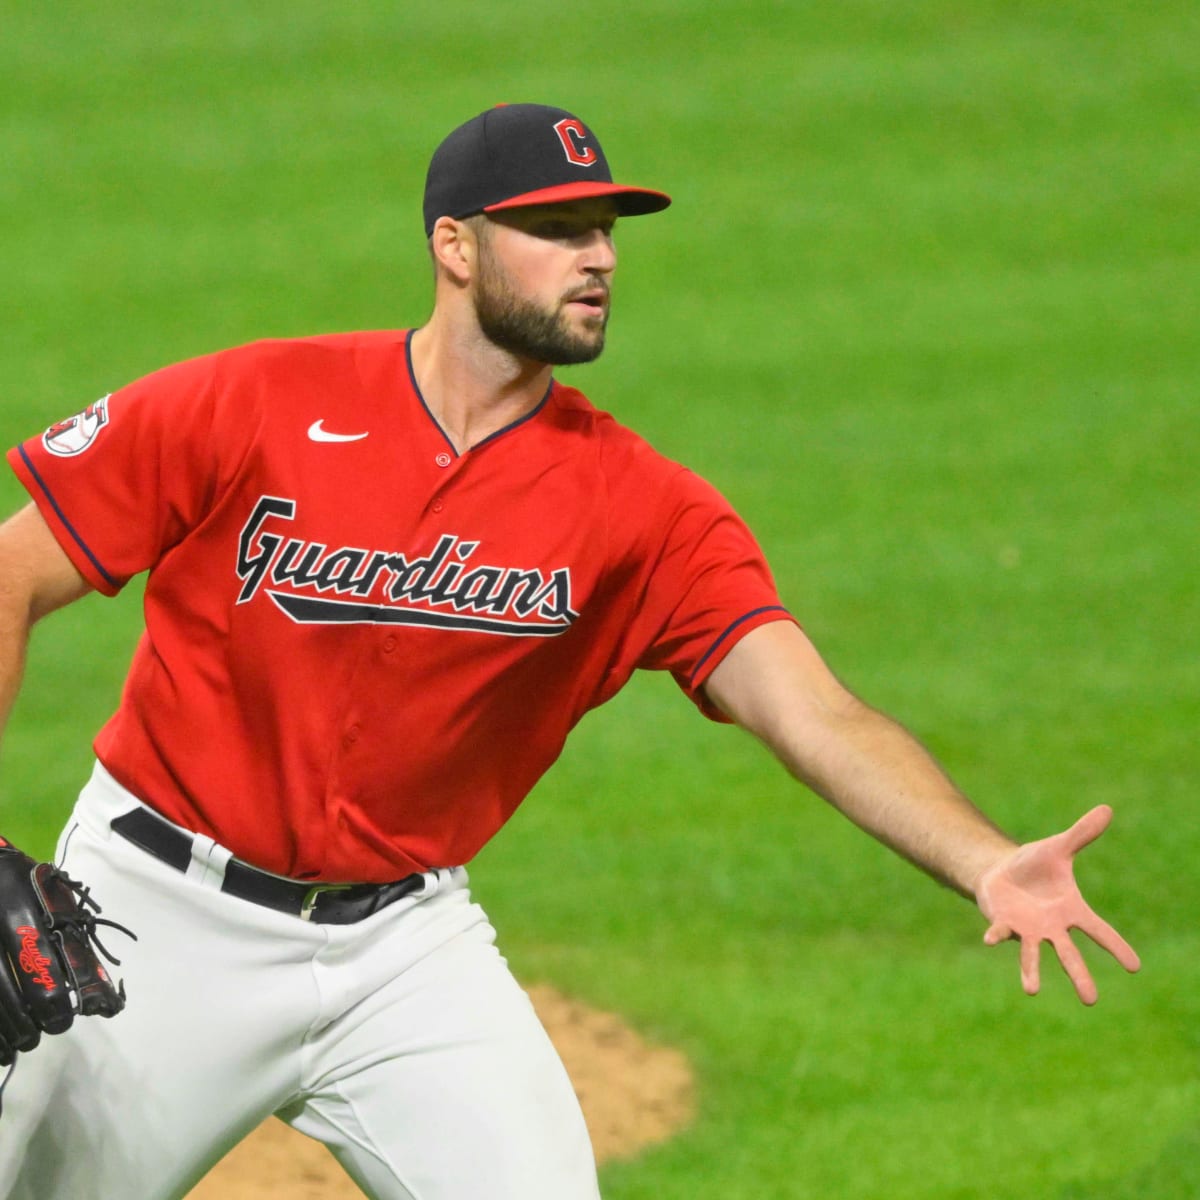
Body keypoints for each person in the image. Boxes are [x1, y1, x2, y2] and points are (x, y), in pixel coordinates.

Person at [0, 103, 1139, 1200]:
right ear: (454, 244)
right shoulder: (254, 400)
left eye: (603, 231)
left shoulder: (639, 508)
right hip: (153, 919)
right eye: (553, 230)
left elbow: (813, 712)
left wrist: (984, 860)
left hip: (401, 949)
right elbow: (10, 575)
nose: (595, 257)